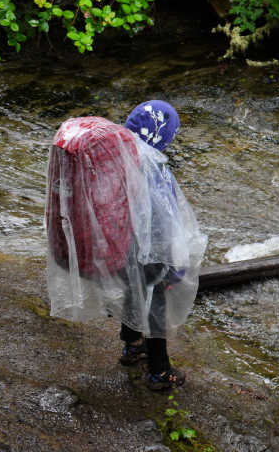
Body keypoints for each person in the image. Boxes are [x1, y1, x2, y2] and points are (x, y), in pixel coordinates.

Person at [45, 101, 207, 391]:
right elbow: (164, 224)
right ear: (163, 136)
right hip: (136, 252)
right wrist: (174, 266)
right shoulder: (153, 167)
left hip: (111, 250)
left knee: (135, 284)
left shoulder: (110, 155)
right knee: (155, 295)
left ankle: (132, 344)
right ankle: (160, 371)